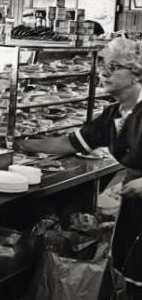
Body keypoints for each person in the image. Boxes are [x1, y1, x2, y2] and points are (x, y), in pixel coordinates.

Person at [17, 38, 142, 299]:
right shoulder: (112, 115)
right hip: (134, 210)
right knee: (130, 275)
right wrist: (21, 143)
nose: (104, 73)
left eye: (115, 67)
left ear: (136, 74)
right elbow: (71, 142)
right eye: (104, 66)